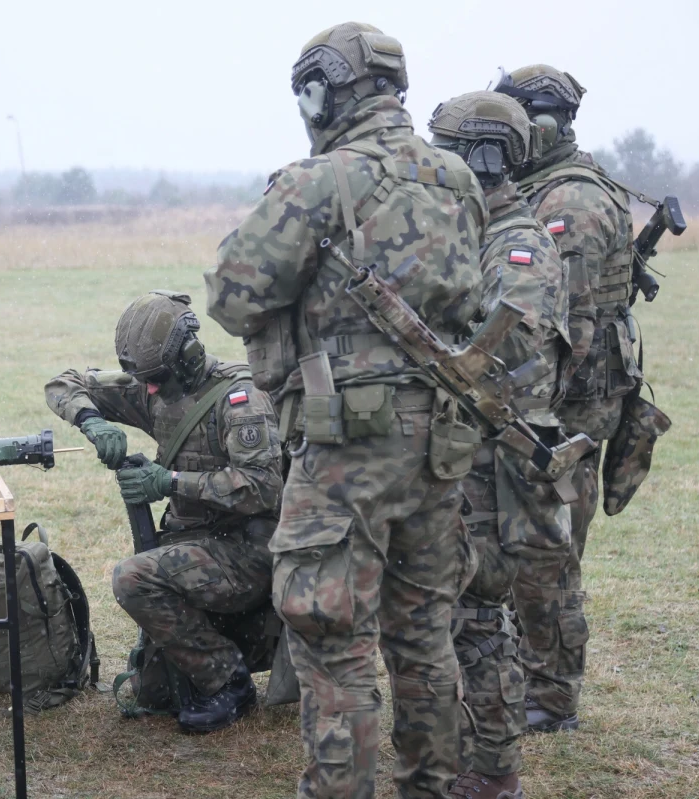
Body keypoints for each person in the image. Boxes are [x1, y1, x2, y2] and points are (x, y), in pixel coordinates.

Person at [205, 23, 487, 799]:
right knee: (426, 635)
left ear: (320, 91)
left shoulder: (320, 181)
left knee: (334, 645)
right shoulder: (457, 179)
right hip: (438, 445)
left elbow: (231, 295)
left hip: (344, 450)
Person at [428, 91, 577, 799]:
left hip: (502, 452)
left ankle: (494, 763)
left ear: (478, 155)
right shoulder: (474, 230)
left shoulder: (514, 243)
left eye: (444, 149)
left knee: (490, 605)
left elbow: (509, 347)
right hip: (473, 447)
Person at [45, 290, 282, 733]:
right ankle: (213, 656)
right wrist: (91, 421)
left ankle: (228, 680)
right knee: (154, 692)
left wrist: (171, 483)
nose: (148, 388)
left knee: (133, 577)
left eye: (156, 377)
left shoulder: (240, 401)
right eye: (144, 378)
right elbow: (63, 384)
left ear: (188, 355)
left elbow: (263, 488)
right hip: (197, 547)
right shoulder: (155, 388)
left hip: (250, 550)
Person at [493, 66, 638, 733]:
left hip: (567, 411)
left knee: (548, 553)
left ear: (541, 124)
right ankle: (529, 677)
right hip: (555, 405)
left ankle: (550, 698)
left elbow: (564, 331)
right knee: (531, 548)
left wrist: (524, 418)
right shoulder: (547, 187)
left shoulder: (570, 204)